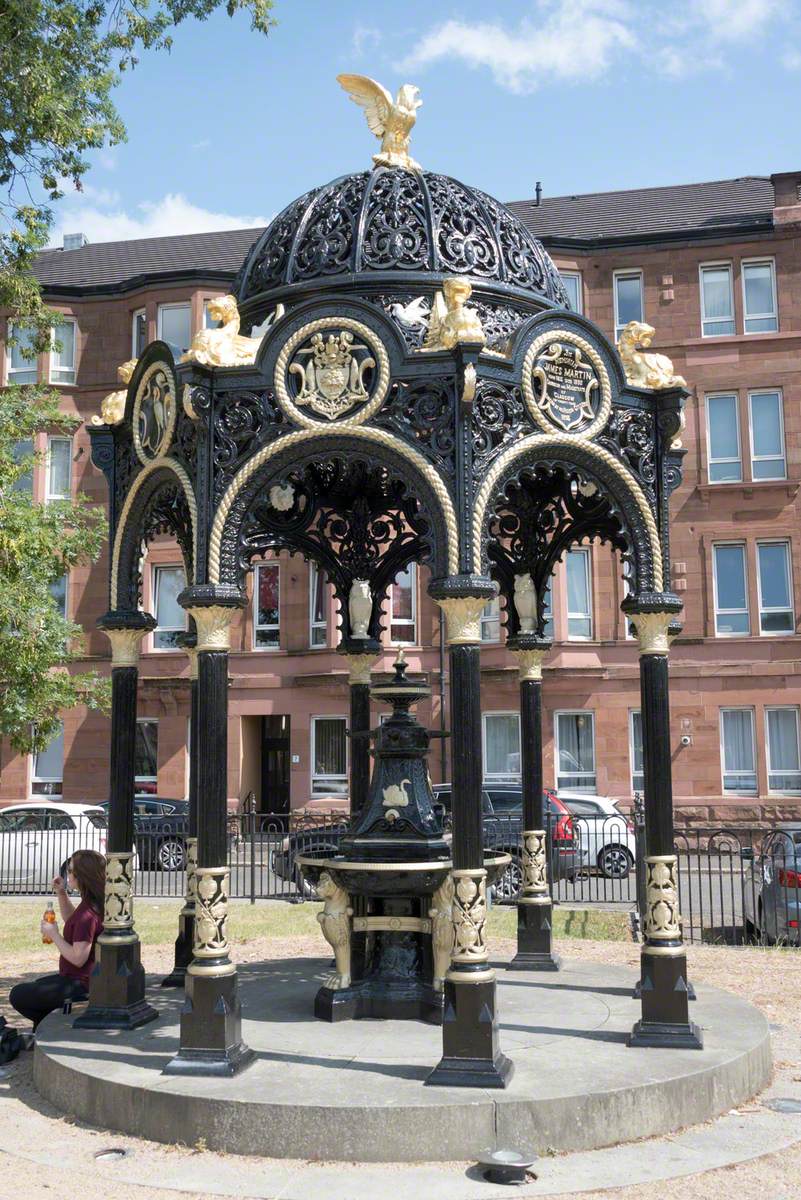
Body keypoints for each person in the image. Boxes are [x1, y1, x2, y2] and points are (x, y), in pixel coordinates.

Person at [10, 849, 105, 1031]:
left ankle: (51, 1028)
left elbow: (79, 958)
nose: (67, 874)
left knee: (18, 994)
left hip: (80, 984)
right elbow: (72, 921)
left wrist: (54, 934)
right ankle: (42, 1030)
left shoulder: (88, 913)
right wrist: (61, 893)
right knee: (37, 986)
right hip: (75, 978)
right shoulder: (91, 903)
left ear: (81, 875)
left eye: (70, 871)